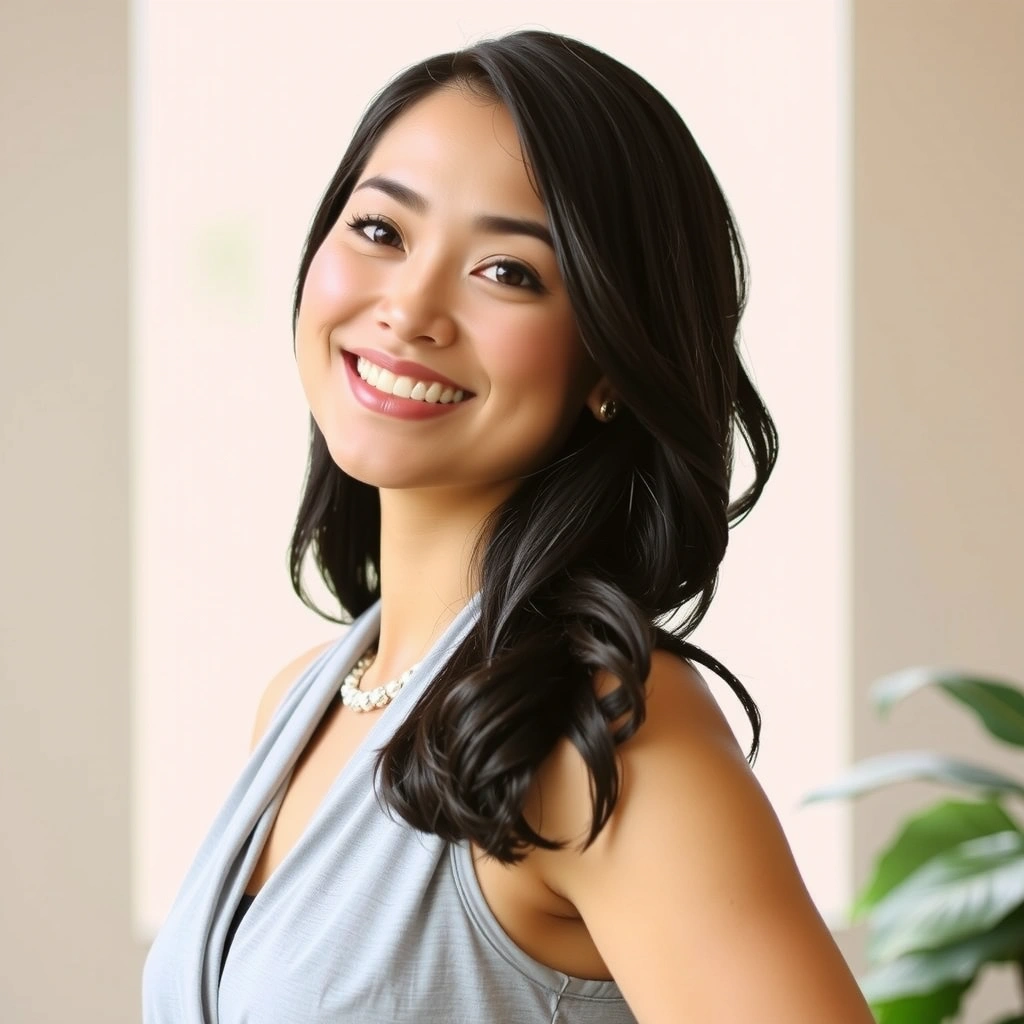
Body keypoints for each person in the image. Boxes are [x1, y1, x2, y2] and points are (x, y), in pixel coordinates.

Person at [143, 28, 874, 1023]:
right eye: (380, 229)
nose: (409, 307)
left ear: (611, 360)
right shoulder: (304, 698)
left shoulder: (600, 732)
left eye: (508, 272)